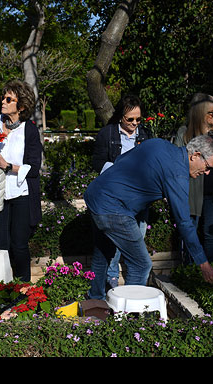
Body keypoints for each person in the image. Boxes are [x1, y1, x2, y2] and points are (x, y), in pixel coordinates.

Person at [84, 135, 213, 300]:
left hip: (95, 195)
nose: (206, 173)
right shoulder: (178, 173)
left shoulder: (159, 143)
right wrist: (203, 263)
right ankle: (130, 317)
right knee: (141, 264)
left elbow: (121, 159)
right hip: (113, 209)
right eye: (208, 167)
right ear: (196, 155)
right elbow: (184, 221)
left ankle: (94, 302)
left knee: (103, 253)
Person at [91, 95, 152, 289]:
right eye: (130, 119)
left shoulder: (144, 135)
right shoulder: (108, 134)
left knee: (137, 238)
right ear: (120, 117)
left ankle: (132, 282)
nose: (135, 123)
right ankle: (112, 277)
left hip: (139, 196)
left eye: (138, 119)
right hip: (115, 196)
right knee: (117, 239)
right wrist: (116, 170)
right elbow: (97, 162)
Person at [0, 79, 43, 283]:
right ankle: (0, 290)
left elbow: (34, 169)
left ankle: (23, 291)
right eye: (3, 97)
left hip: (21, 194)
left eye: (9, 99)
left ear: (22, 106)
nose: (3, 101)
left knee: (19, 246)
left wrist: (7, 166)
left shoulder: (29, 130)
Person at [174, 93, 213, 263]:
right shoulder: (184, 133)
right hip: (192, 194)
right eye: (212, 113)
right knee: (191, 234)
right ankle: (189, 274)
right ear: (200, 114)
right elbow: (178, 162)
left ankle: (210, 276)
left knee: (211, 235)